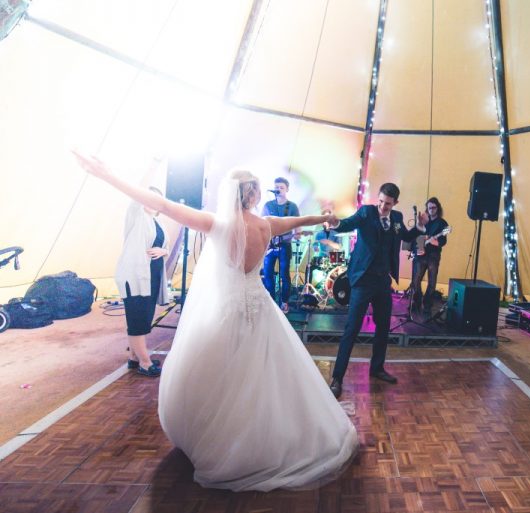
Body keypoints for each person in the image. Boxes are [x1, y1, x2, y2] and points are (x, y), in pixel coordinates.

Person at [73, 152, 358, 492]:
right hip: (260, 308)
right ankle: (263, 441)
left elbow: (160, 204)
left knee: (220, 377)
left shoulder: (216, 224)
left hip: (226, 310)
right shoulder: (266, 225)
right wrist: (321, 216)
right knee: (266, 377)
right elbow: (298, 223)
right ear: (252, 194)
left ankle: (224, 442)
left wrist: (108, 175)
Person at [328, 183, 427, 399]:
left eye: (387, 203)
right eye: (381, 201)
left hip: (383, 281)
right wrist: (335, 223)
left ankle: (377, 368)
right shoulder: (366, 212)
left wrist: (419, 228)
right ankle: (337, 377)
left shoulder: (398, 218)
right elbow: (348, 224)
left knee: (383, 328)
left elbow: (407, 238)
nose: (382, 206)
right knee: (351, 330)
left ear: (395, 203)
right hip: (363, 280)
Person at [115, 187, 170, 376]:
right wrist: (154, 162)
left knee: (144, 318)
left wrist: (164, 251)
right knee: (137, 319)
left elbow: (164, 247)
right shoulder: (136, 215)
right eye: (148, 197)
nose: (152, 202)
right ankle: (145, 363)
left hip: (151, 276)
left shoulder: (156, 221)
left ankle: (133, 357)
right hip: (135, 277)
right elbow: (135, 193)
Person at [261, 177, 300, 313]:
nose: (278, 189)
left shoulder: (292, 207)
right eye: (276, 187)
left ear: (287, 189)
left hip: (285, 244)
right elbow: (262, 225)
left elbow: (297, 225)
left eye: (281, 187)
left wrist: (298, 234)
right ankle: (271, 301)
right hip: (269, 245)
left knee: (284, 274)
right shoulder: (268, 205)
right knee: (267, 273)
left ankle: (284, 302)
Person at [412, 197, 449, 313]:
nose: (432, 210)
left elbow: (443, 241)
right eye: (429, 208)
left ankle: (427, 304)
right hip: (421, 255)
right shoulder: (424, 221)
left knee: (432, 281)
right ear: (427, 209)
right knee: (416, 279)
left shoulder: (443, 223)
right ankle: (417, 302)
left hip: (433, 256)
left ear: (438, 208)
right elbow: (417, 235)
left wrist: (435, 241)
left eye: (434, 207)